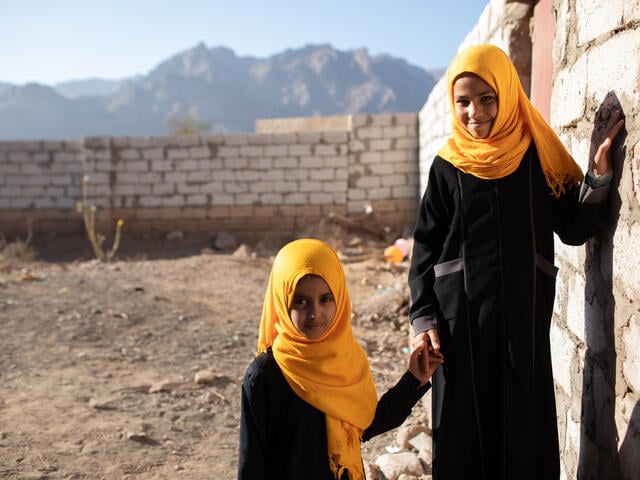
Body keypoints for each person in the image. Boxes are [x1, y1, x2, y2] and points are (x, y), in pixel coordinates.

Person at [407, 44, 625, 480]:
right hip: (458, 330)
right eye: (463, 102)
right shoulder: (447, 168)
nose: (475, 112)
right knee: (463, 432)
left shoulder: (534, 157)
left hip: (523, 325)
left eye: (487, 99)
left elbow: (575, 227)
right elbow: (425, 251)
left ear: (507, 95)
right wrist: (423, 319)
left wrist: (598, 176)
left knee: (522, 428)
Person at [238, 238, 444, 480]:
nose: (315, 313)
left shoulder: (347, 359)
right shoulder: (265, 374)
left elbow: (365, 424)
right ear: (281, 302)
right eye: (301, 301)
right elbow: (252, 463)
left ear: (340, 296)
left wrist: (413, 380)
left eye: (325, 299)